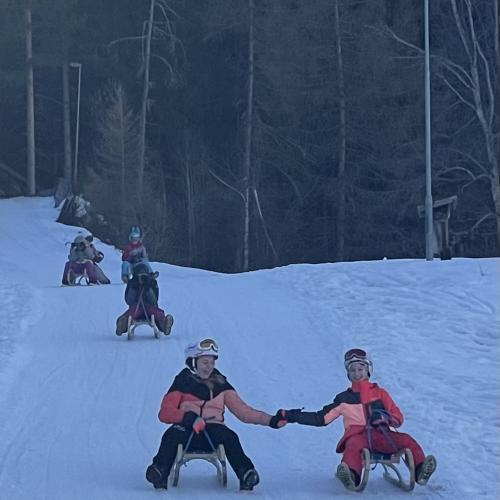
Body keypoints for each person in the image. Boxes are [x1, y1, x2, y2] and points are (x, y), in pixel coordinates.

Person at [279, 349, 437, 490]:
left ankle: (420, 470)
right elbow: (321, 419)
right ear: (348, 373)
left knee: (407, 440)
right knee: (353, 445)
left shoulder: (380, 394)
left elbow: (398, 417)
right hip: (359, 437)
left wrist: (384, 417)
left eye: (361, 368)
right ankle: (351, 476)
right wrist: (292, 415)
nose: (357, 373)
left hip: (383, 436)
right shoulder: (344, 399)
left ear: (369, 370)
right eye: (352, 370)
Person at [145, 339, 286, 491]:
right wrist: (189, 418)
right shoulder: (182, 382)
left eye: (212, 363)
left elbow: (244, 411)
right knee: (171, 435)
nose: (209, 367)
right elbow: (165, 412)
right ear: (193, 362)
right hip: (186, 429)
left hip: (213, 430)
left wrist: (271, 420)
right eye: (205, 362)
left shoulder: (221, 384)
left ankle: (246, 473)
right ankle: (159, 472)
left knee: (230, 437)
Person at [115, 262, 174, 335]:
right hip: (136, 307)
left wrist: (148, 288)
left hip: (150, 307)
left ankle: (164, 324)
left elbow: (154, 301)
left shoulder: (152, 282)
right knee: (130, 314)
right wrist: (133, 287)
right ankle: (122, 325)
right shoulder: (132, 282)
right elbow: (129, 301)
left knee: (157, 313)